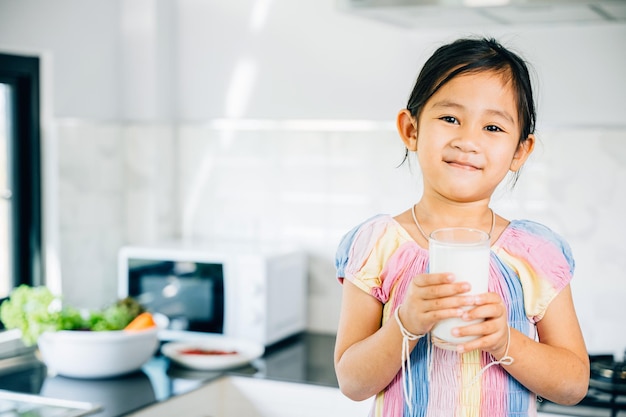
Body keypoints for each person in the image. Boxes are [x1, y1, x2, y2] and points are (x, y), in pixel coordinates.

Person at [333, 37, 589, 417]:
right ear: (411, 129)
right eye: (450, 118)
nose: (468, 140)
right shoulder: (377, 245)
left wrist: (505, 342)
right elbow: (352, 383)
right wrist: (405, 325)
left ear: (520, 151)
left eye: (492, 127)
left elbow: (572, 386)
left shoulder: (535, 253)